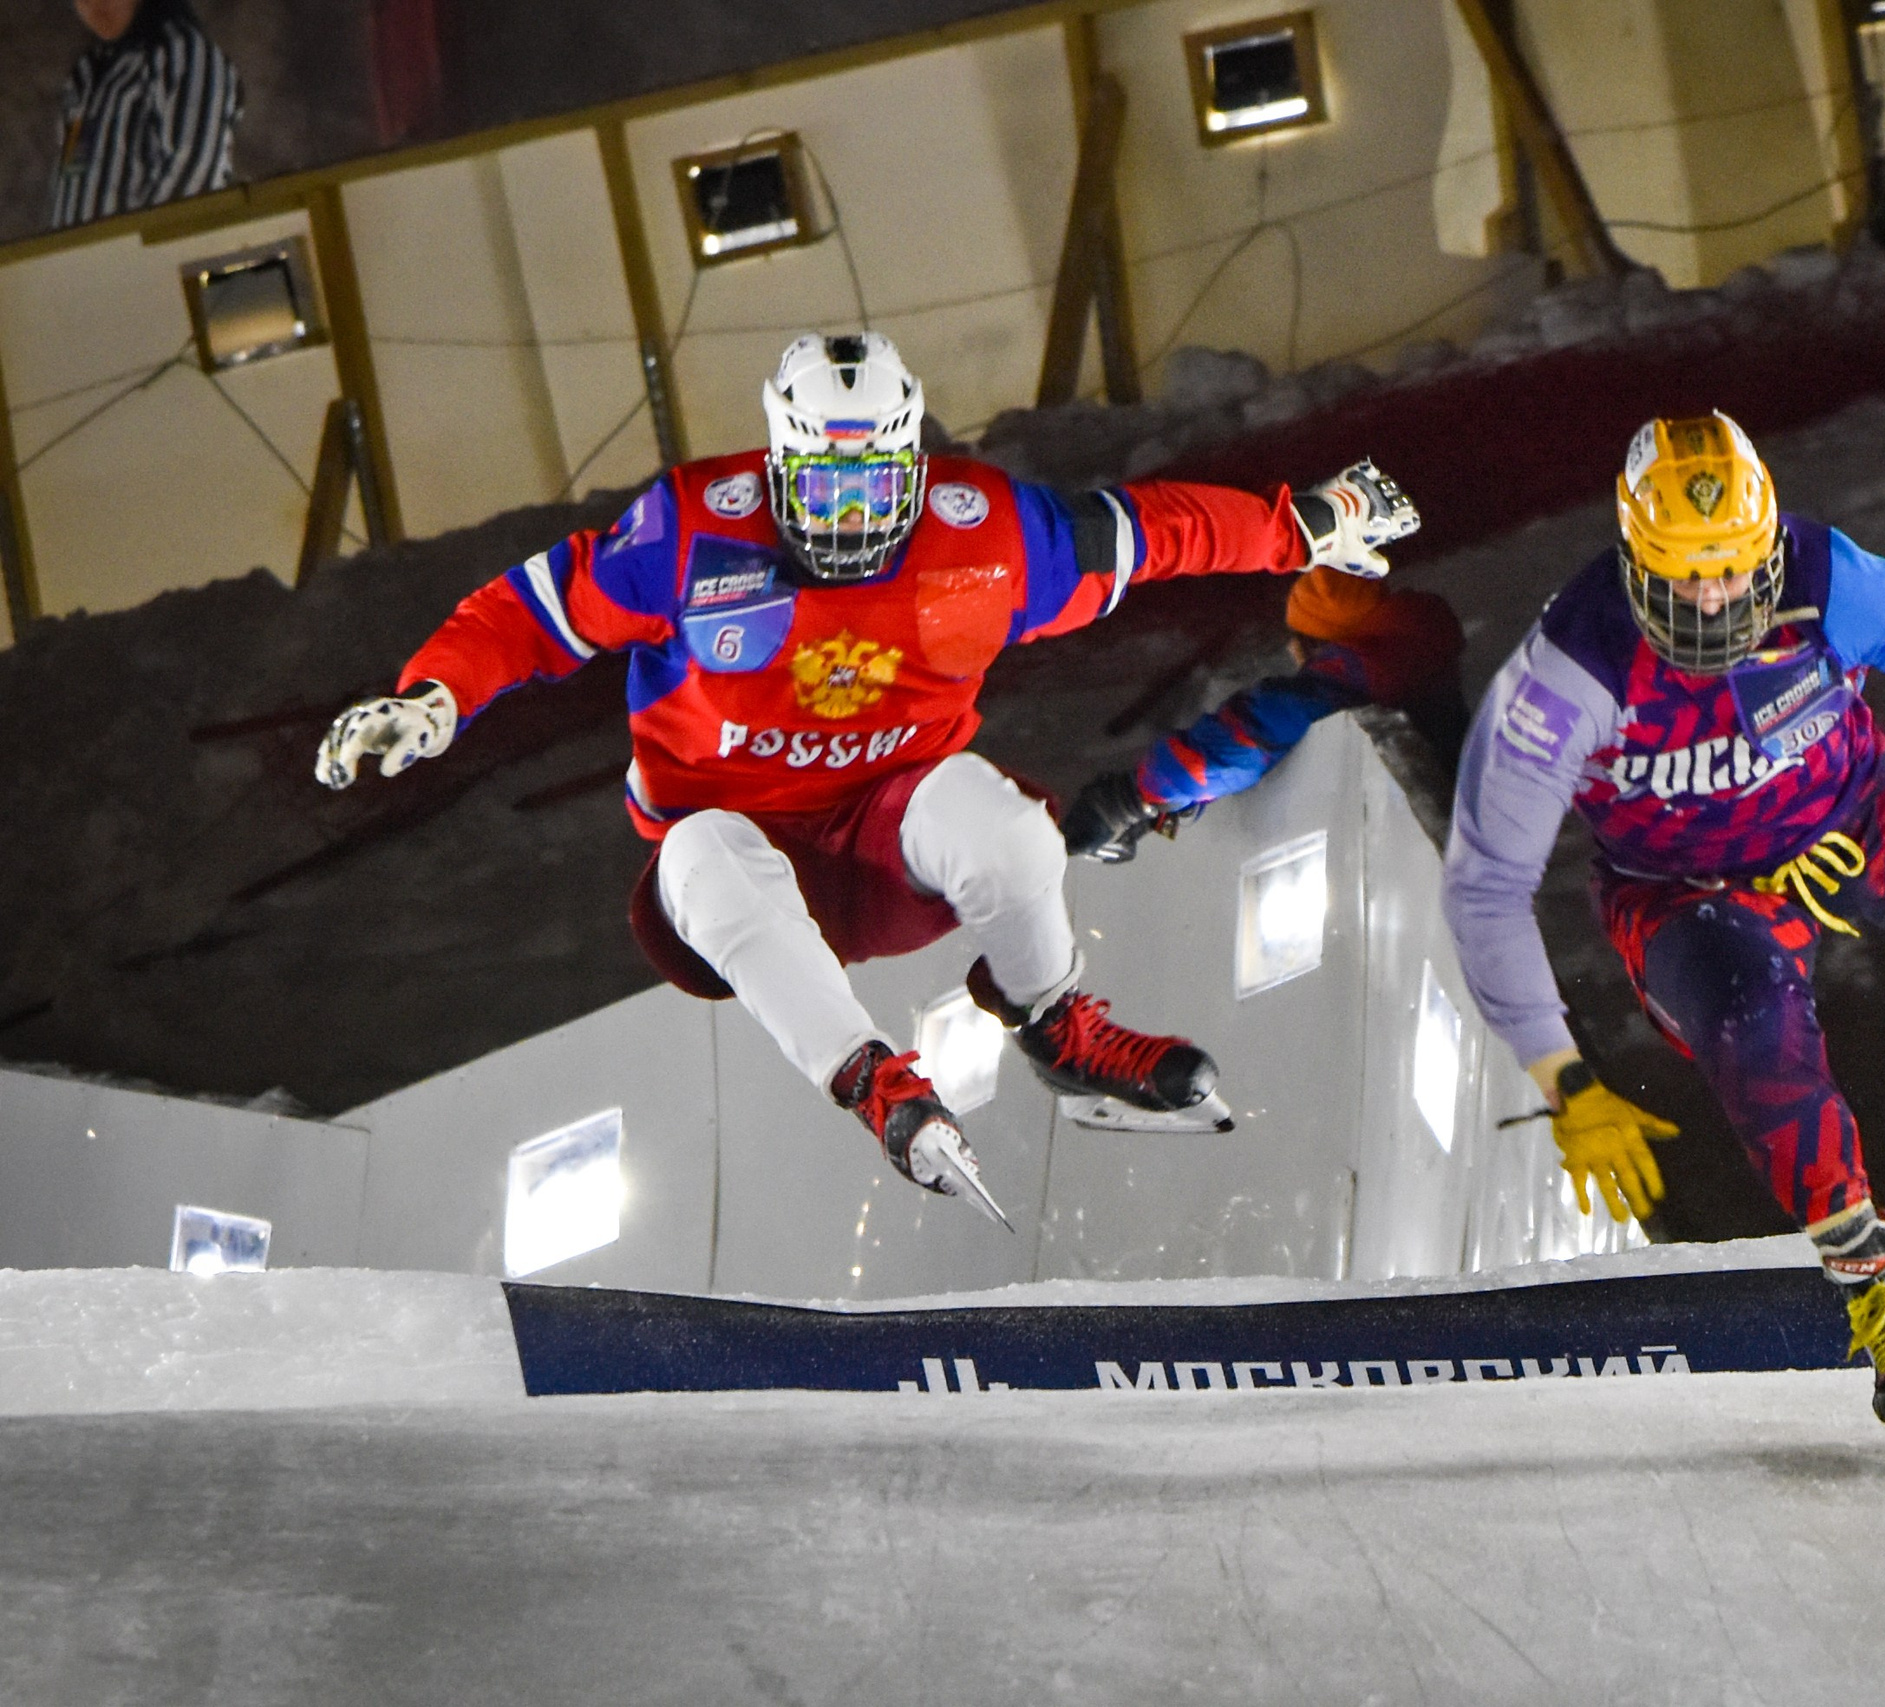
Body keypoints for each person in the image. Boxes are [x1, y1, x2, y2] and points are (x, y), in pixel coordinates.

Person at [316, 331, 1417, 1226]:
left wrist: (1303, 525)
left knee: (1008, 830)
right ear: (776, 465)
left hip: (893, 852)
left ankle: (1050, 1022)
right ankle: (874, 1083)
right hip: (731, 877)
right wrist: (435, 697)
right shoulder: (692, 532)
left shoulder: (980, 536)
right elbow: (530, 610)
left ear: (913, 462)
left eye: (871, 483)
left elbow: (1142, 535)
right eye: (822, 485)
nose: (847, 515)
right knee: (697, 845)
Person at [1441, 413, 1885, 1449]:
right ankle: (1872, 1279)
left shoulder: (1827, 577)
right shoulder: (1569, 673)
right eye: (1682, 577)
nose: (1714, 599)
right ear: (1634, 560)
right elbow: (1486, 882)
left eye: (1733, 570)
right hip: (1691, 892)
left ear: (1769, 546)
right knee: (1752, 1030)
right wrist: (1564, 1079)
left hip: (1857, 808)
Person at [1060, 558, 1465, 862]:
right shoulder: (1415, 672)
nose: (1293, 654)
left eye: (1298, 641)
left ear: (1320, 643)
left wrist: (1134, 797)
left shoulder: (1352, 679)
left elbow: (1249, 737)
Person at [49, 0, 242, 230]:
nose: (94, 4)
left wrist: (135, 255)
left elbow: (195, 176)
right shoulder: (86, 74)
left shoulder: (186, 55)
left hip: (150, 258)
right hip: (79, 260)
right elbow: (71, 181)